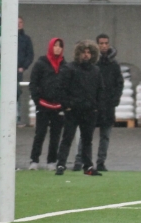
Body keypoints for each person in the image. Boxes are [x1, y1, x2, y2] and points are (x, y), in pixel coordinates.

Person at [56, 40, 105, 176]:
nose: (86, 55)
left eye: (89, 52)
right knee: (67, 138)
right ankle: (61, 164)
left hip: (89, 111)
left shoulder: (96, 70)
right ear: (78, 53)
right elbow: (61, 88)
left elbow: (100, 90)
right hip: (73, 111)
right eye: (83, 52)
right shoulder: (69, 68)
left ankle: (88, 167)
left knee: (87, 140)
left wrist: (96, 107)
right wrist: (66, 106)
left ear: (93, 54)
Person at [28, 38, 66, 170]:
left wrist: (64, 102)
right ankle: (34, 160)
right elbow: (33, 83)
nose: (57, 48)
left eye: (60, 46)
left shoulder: (65, 66)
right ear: (50, 47)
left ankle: (51, 161)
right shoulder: (40, 64)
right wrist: (37, 100)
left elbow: (68, 85)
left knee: (55, 135)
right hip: (43, 105)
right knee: (40, 133)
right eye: (55, 45)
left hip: (58, 106)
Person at [93, 34, 123, 172]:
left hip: (108, 106)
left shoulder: (114, 64)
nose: (104, 46)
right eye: (101, 43)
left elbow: (119, 83)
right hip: (93, 106)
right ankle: (81, 161)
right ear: (97, 45)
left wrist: (115, 100)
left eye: (106, 43)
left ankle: (101, 162)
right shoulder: (92, 63)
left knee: (105, 136)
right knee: (87, 135)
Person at [17, 16, 34, 126]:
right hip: (6, 72)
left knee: (17, 93)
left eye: (20, 22)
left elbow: (30, 55)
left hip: (18, 72)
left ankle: (18, 118)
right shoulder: (6, 38)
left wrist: (23, 67)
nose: (18, 24)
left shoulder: (26, 39)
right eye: (16, 22)